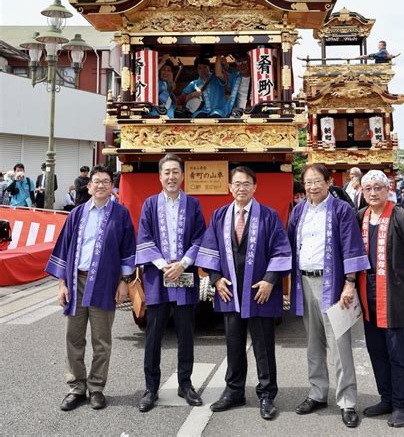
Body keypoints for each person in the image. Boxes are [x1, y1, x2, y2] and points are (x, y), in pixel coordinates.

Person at [196, 166, 292, 421]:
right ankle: (234, 390)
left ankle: (267, 394)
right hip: (230, 291)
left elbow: (281, 251)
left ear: (255, 187)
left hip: (261, 290)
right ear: (229, 187)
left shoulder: (269, 216)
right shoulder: (220, 216)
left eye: (247, 183)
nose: (241, 188)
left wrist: (270, 281)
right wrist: (216, 280)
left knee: (263, 345)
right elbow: (209, 250)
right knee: (233, 344)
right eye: (237, 183)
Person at [45, 165, 136, 411]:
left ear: (112, 186)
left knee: (101, 340)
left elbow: (128, 249)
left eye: (106, 181)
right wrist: (62, 284)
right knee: (73, 338)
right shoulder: (77, 214)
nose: (101, 185)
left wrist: (124, 282)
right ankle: (76, 387)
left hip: (106, 283)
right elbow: (64, 248)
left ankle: (96, 388)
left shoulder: (121, 214)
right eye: (96, 181)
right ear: (89, 185)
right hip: (76, 283)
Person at [288, 163, 370, 428]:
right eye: (308, 182)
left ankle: (347, 401)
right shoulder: (299, 210)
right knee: (313, 342)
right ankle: (317, 392)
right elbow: (290, 244)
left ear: (329, 181)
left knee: (339, 344)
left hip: (333, 282)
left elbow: (351, 246)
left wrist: (349, 283)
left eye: (317, 181)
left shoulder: (341, 210)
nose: (312, 187)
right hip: (304, 279)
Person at [357, 170, 404, 429]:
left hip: (394, 297)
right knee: (376, 351)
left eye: (378, 187)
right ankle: (385, 398)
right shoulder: (361, 217)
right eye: (368, 189)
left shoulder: (401, 216)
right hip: (368, 297)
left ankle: (400, 404)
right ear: (362, 192)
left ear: (387, 189)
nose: (373, 193)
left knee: (398, 353)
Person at [135, 153, 206, 412]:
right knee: (153, 333)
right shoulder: (150, 205)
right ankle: (151, 387)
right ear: (160, 176)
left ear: (183, 175)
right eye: (167, 172)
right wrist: (163, 265)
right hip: (158, 276)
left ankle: (185, 384)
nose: (171, 177)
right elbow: (143, 237)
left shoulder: (193, 204)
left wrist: (183, 264)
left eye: (176, 172)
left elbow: (200, 236)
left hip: (184, 274)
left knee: (186, 331)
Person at [225, 52, 252, 118]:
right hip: (239, 110)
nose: (242, 65)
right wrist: (219, 56)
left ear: (250, 62)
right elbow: (219, 74)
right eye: (239, 62)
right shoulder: (234, 77)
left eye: (245, 61)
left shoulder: (258, 77)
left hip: (254, 109)